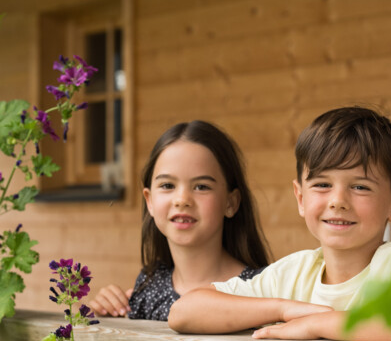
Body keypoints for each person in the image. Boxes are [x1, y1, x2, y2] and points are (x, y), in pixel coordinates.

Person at [168, 106, 391, 341]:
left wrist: (317, 324)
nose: (338, 201)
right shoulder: (294, 272)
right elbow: (184, 312)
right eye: (322, 184)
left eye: (360, 186)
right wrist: (282, 309)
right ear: (300, 197)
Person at [89, 121, 270, 321]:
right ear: (149, 201)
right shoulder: (149, 287)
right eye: (167, 185)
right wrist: (107, 317)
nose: (182, 200)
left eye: (201, 187)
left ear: (231, 203)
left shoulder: (260, 288)